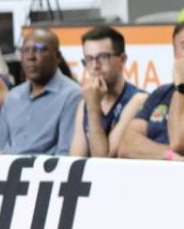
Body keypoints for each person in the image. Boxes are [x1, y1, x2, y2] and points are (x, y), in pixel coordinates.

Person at [0, 29, 81, 156]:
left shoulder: (72, 95)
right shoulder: (13, 96)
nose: (31, 57)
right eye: (25, 50)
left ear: (57, 57)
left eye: (39, 49)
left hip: (42, 168)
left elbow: (65, 155)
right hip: (6, 166)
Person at [69, 26, 146, 158]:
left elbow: (105, 159)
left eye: (103, 57)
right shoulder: (85, 104)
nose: (95, 66)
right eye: (89, 59)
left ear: (122, 59)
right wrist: (91, 104)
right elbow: (76, 160)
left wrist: (93, 107)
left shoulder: (138, 100)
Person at [119, 22, 184, 161]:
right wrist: (168, 155)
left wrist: (181, 87)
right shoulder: (161, 93)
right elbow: (126, 145)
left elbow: (178, 142)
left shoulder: (179, 89)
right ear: (175, 53)